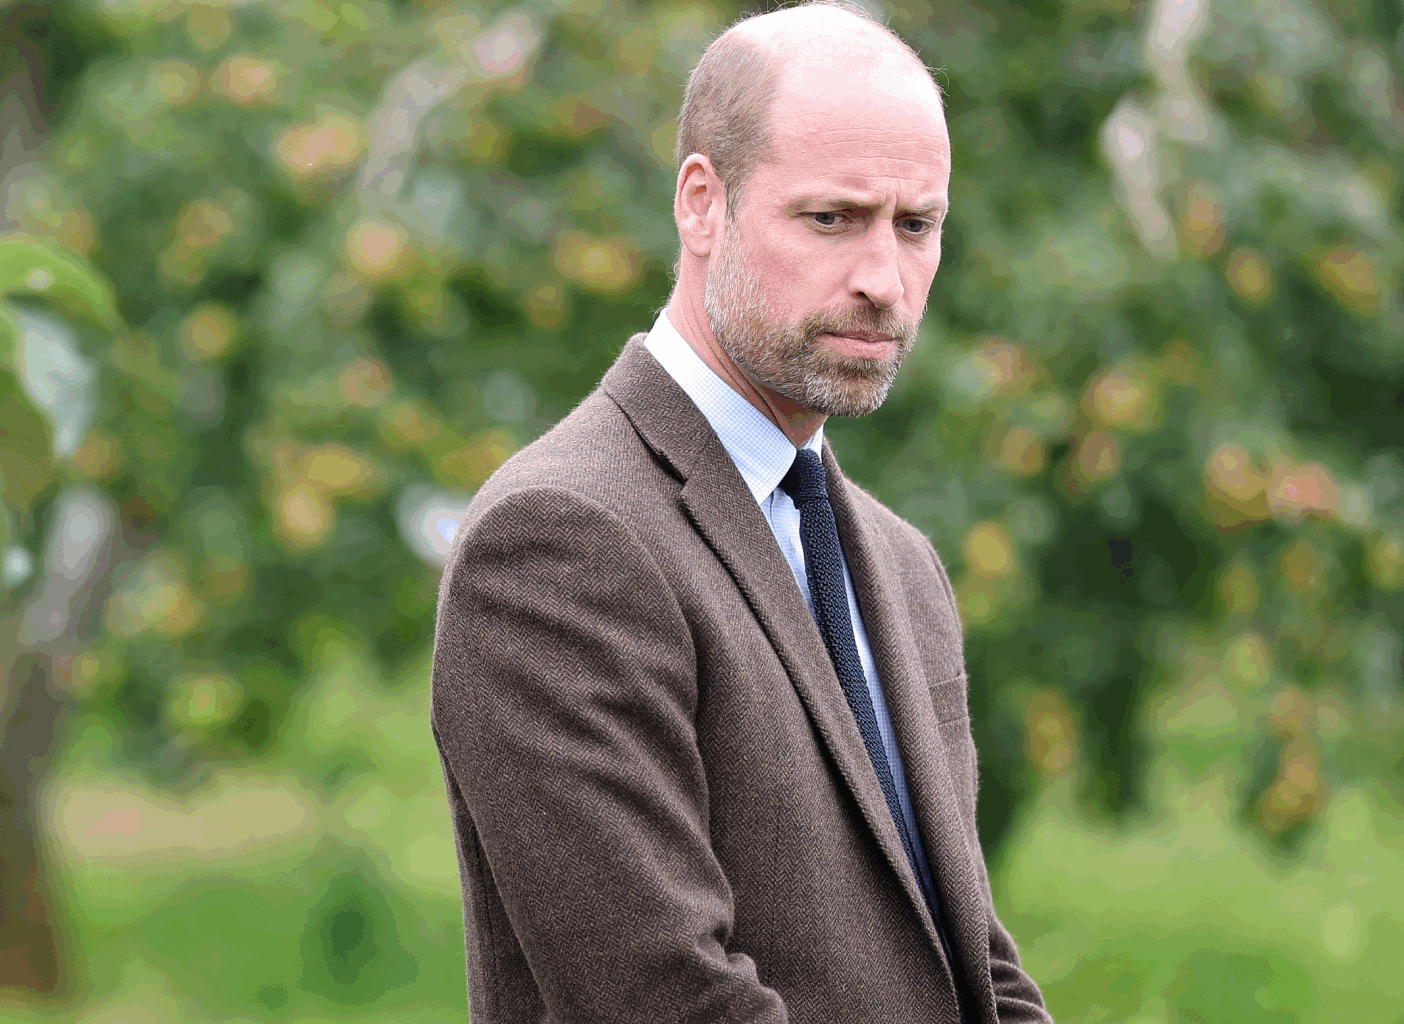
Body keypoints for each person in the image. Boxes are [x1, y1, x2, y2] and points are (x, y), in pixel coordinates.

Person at [427, 3, 1053, 1022]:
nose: (881, 281)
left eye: (916, 226)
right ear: (702, 205)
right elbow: (661, 997)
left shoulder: (900, 564)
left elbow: (976, 969)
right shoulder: (556, 542)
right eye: (830, 218)